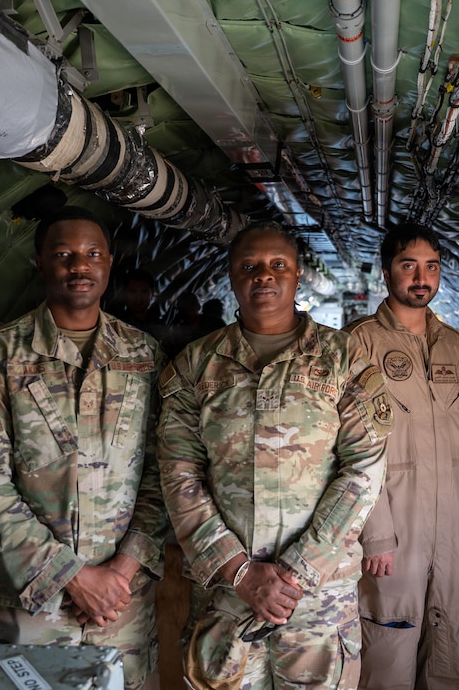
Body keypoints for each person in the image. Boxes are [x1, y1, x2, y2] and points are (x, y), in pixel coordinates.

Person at [157, 221, 390, 688]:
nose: (264, 275)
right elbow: (179, 473)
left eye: (277, 265)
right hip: (227, 593)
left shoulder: (343, 359)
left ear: (298, 274)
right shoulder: (196, 364)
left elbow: (363, 470)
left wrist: (296, 572)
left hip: (317, 599)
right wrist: (241, 572)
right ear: (231, 275)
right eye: (249, 266)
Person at [0, 207, 168, 689]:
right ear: (39, 262)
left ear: (109, 262)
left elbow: (165, 471)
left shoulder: (144, 355)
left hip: (122, 603)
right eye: (63, 254)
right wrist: (71, 575)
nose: (79, 266)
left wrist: (122, 570)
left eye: (92, 254)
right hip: (31, 604)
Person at [348, 223, 459, 689]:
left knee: (449, 634)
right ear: (386, 272)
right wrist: (374, 536)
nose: (421, 277)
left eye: (431, 266)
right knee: (389, 639)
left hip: (451, 519)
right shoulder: (360, 342)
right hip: (395, 521)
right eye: (408, 265)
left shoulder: (452, 343)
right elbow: (351, 447)